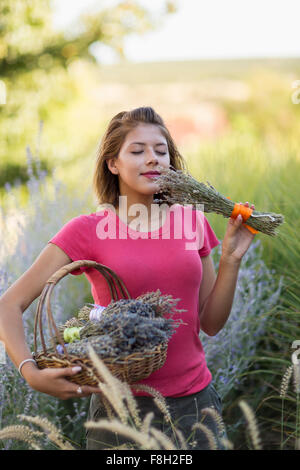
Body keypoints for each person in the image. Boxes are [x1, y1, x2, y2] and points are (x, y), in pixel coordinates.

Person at [0, 106, 256, 450]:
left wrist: (230, 260)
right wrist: (30, 373)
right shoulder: (87, 231)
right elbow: (8, 305)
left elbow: (210, 323)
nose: (152, 158)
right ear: (113, 163)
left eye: (161, 151)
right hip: (118, 415)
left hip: (196, 406)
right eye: (138, 151)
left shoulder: (192, 223)